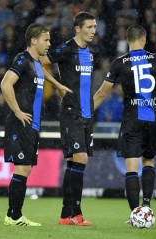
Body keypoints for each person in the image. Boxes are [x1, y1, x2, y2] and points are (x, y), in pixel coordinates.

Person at [93, 25, 156, 223]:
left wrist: (86, 113)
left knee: (131, 168)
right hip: (153, 117)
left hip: (132, 117)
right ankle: (147, 206)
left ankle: (135, 214)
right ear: (143, 39)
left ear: (128, 39)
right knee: (148, 162)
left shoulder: (119, 63)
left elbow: (102, 93)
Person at [1, 23, 72, 226]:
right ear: (33, 40)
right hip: (22, 122)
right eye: (46, 40)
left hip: (33, 124)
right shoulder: (22, 59)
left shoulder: (35, 63)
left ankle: (12, 214)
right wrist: (17, 111)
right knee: (22, 169)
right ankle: (14, 216)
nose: (49, 44)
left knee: (26, 170)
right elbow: (5, 84)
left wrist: (57, 85)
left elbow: (41, 72)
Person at [40, 11, 97, 226]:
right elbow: (39, 61)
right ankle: (77, 214)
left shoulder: (90, 53)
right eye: (89, 27)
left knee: (75, 161)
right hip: (71, 114)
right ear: (78, 29)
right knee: (80, 158)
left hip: (86, 115)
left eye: (94, 27)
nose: (93, 31)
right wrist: (56, 84)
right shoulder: (66, 49)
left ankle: (65, 215)